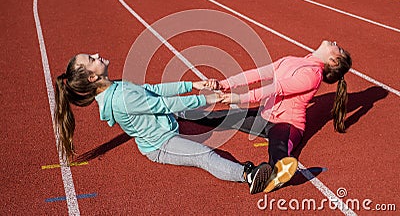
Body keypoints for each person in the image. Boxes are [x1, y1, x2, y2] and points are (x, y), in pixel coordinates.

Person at [53, 53, 273, 194]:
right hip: (161, 144)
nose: (97, 55)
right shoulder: (121, 98)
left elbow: (153, 90)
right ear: (92, 78)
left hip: (166, 124)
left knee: (187, 110)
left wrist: (192, 85)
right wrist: (209, 99)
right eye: (91, 60)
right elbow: (163, 105)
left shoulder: (115, 87)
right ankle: (248, 175)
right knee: (203, 155)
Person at [183, 40, 352, 193]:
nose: (336, 43)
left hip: (287, 125)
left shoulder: (313, 75)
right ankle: (179, 114)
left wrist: (239, 98)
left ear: (333, 61)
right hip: (264, 116)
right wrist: (224, 84)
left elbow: (276, 88)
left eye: (339, 48)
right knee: (224, 116)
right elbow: (259, 74)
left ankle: (274, 174)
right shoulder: (293, 60)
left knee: (278, 147)